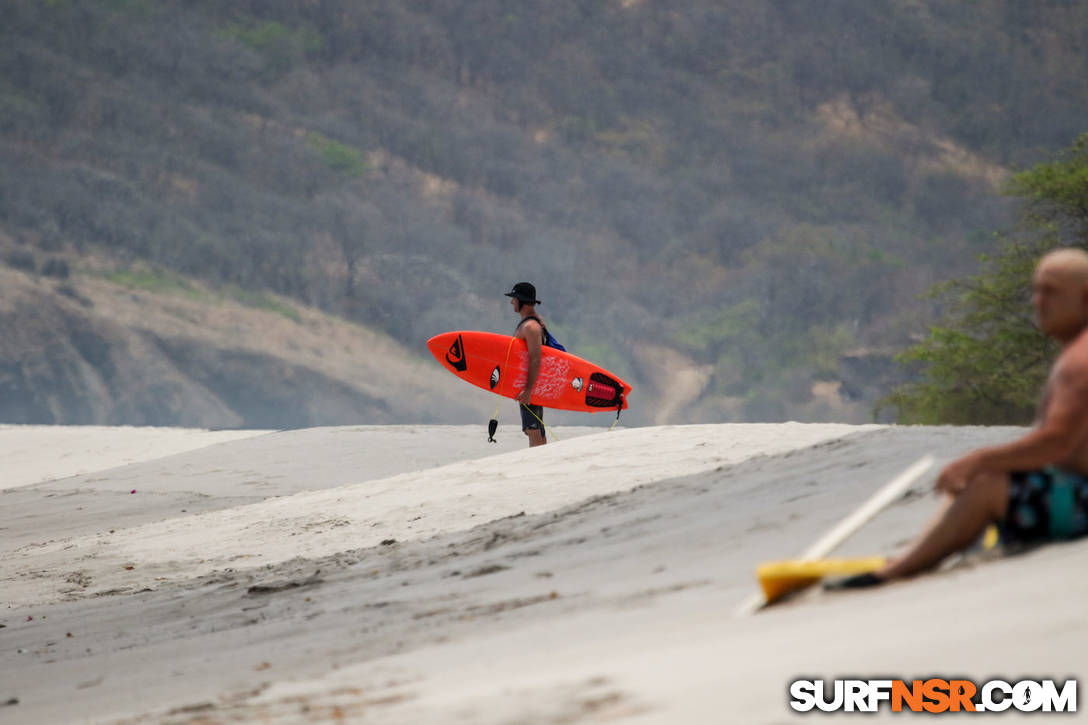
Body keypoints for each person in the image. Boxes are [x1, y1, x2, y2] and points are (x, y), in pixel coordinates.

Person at [835, 248, 1088, 589]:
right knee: (981, 476)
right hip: (1072, 492)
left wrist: (976, 460)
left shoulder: (1080, 359)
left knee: (984, 481)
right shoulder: (1074, 352)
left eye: (1051, 292)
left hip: (1080, 505)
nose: (1037, 301)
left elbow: (1058, 442)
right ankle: (919, 554)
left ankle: (893, 573)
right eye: (1036, 290)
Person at [505, 282, 549, 447]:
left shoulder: (531, 327)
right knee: (534, 428)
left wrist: (529, 389)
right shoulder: (533, 322)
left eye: (514, 299)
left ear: (521, 300)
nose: (512, 302)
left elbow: (536, 359)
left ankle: (538, 466)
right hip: (528, 384)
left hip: (531, 385)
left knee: (533, 429)